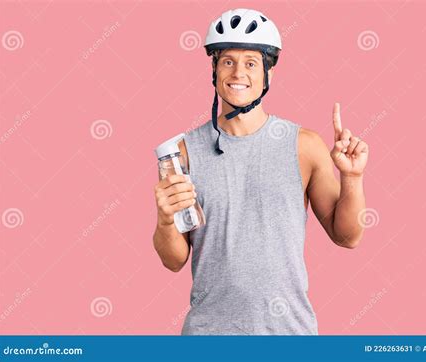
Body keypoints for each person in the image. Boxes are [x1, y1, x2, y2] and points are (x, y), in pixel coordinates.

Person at [152, 8, 369, 335]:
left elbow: (348, 236)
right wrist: (165, 219)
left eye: (251, 62)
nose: (238, 72)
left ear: (269, 73)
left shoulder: (304, 146)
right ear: (213, 69)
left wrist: (352, 178)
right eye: (227, 61)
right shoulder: (182, 153)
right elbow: (174, 260)